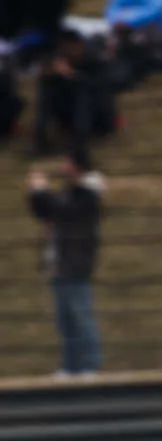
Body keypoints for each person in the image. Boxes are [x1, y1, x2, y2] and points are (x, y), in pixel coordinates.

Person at [28, 153, 106, 379]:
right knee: (65, 319)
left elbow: (62, 209)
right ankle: (70, 364)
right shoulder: (69, 192)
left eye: (67, 162)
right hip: (58, 262)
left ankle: (89, 364)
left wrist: (42, 190)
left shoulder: (87, 194)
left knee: (80, 314)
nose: (62, 166)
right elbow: (45, 211)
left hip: (75, 263)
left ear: (77, 166)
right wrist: (36, 193)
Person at [34, 28, 116, 160]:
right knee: (49, 91)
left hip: (98, 114)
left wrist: (73, 75)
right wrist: (50, 75)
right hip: (70, 113)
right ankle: (40, 139)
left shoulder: (95, 60)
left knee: (83, 94)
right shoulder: (59, 60)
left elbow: (99, 88)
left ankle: (79, 144)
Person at [105, 0, 162, 83]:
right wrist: (119, 20)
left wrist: (128, 20)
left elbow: (155, 10)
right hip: (124, 29)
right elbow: (111, 10)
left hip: (151, 29)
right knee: (110, 40)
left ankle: (146, 65)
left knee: (137, 40)